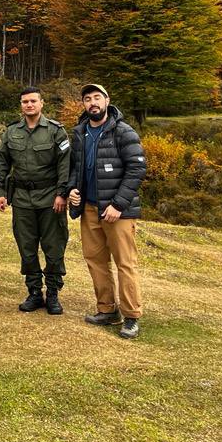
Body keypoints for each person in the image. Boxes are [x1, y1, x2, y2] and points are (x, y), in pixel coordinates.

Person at [67, 83, 147, 340]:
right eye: (87, 99)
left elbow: (137, 169)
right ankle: (107, 310)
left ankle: (131, 316)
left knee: (125, 263)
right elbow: (75, 168)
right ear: (83, 104)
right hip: (89, 208)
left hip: (117, 211)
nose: (93, 103)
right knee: (96, 261)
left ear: (107, 100)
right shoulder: (80, 133)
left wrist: (118, 204)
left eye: (97, 97)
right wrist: (72, 190)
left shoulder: (123, 131)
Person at [0, 87, 71, 315]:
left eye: (33, 101)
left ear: (41, 103)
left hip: (50, 198)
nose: (29, 105)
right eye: (25, 101)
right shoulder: (11, 132)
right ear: (21, 105)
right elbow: (2, 163)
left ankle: (53, 293)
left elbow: (64, 164)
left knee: (54, 248)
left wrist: (62, 193)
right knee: (26, 248)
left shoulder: (56, 131)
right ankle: (34, 292)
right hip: (22, 199)